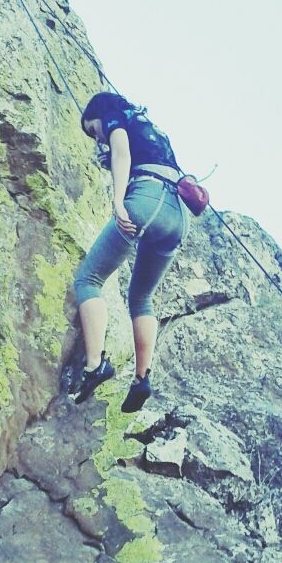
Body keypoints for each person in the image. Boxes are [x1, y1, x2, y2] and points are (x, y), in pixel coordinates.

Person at [71, 92, 191, 412]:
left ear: (99, 115)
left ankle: (95, 365)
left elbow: (121, 150)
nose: (98, 138)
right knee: (141, 298)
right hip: (178, 217)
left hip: (146, 200)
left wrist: (118, 200)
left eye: (94, 131)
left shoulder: (114, 117)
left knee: (88, 279)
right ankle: (141, 379)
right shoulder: (150, 128)